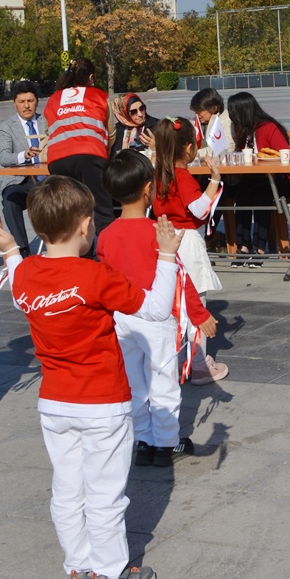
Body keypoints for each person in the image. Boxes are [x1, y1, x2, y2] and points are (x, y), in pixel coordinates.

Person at [0, 177, 181, 579]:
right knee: (104, 492)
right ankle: (111, 575)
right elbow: (155, 310)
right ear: (85, 226)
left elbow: (15, 273)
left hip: (54, 404)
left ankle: (78, 572)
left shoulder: (25, 275)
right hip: (102, 402)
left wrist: (9, 249)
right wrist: (168, 257)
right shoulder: (95, 276)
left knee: (67, 488)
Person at [98, 150, 215, 467]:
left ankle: (143, 441)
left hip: (122, 320)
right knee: (163, 380)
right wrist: (200, 315)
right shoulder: (157, 233)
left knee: (135, 383)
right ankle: (165, 444)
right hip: (157, 318)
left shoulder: (106, 236)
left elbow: (102, 283)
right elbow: (180, 276)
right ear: (148, 189)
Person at [150, 117, 229, 384]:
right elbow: (199, 210)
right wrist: (214, 180)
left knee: (173, 305)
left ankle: (176, 361)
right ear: (188, 149)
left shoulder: (158, 173)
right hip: (187, 241)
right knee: (196, 304)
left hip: (164, 239)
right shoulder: (182, 176)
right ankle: (198, 365)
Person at [44, 58, 114, 235]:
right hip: (90, 156)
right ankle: (108, 255)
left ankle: (76, 255)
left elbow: (48, 131)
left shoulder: (53, 99)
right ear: (91, 77)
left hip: (57, 160)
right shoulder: (99, 96)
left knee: (69, 213)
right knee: (101, 211)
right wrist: (105, 155)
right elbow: (111, 133)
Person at [226, 92, 290, 265]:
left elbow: (285, 154)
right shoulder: (243, 130)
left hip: (279, 178)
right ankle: (243, 245)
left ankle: (260, 247)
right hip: (254, 178)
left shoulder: (268, 127)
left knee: (260, 194)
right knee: (242, 195)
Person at [0, 80, 44, 256]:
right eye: (22, 102)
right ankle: (23, 250)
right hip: (20, 180)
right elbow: (3, 157)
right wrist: (24, 155)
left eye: (30, 101)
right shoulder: (6, 128)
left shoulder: (48, 122)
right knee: (10, 200)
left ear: (36, 101)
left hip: (46, 179)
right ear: (14, 103)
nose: (26, 106)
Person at [189, 88, 231, 159]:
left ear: (214, 108)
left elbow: (224, 148)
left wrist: (194, 153)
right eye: (195, 110)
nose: (197, 114)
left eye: (200, 110)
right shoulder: (194, 122)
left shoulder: (226, 120)